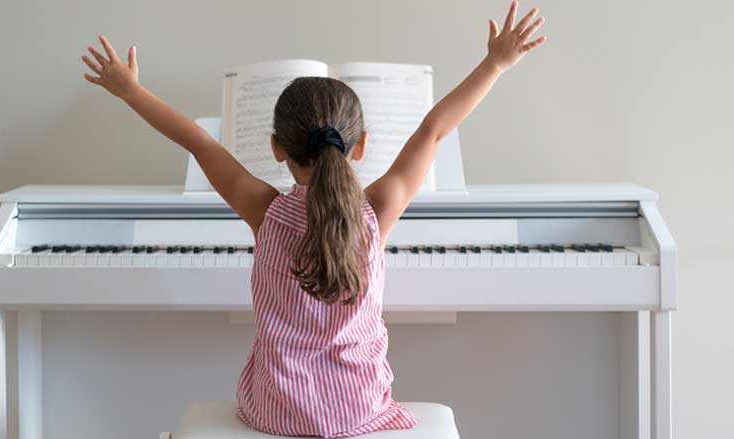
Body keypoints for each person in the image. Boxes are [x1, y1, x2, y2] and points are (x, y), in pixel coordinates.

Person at [81, 1, 545, 436]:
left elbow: (199, 143)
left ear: (276, 148)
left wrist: (130, 91)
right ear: (359, 145)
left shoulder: (264, 210)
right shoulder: (376, 212)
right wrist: (495, 64)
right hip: (358, 408)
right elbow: (433, 130)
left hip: (273, 410)